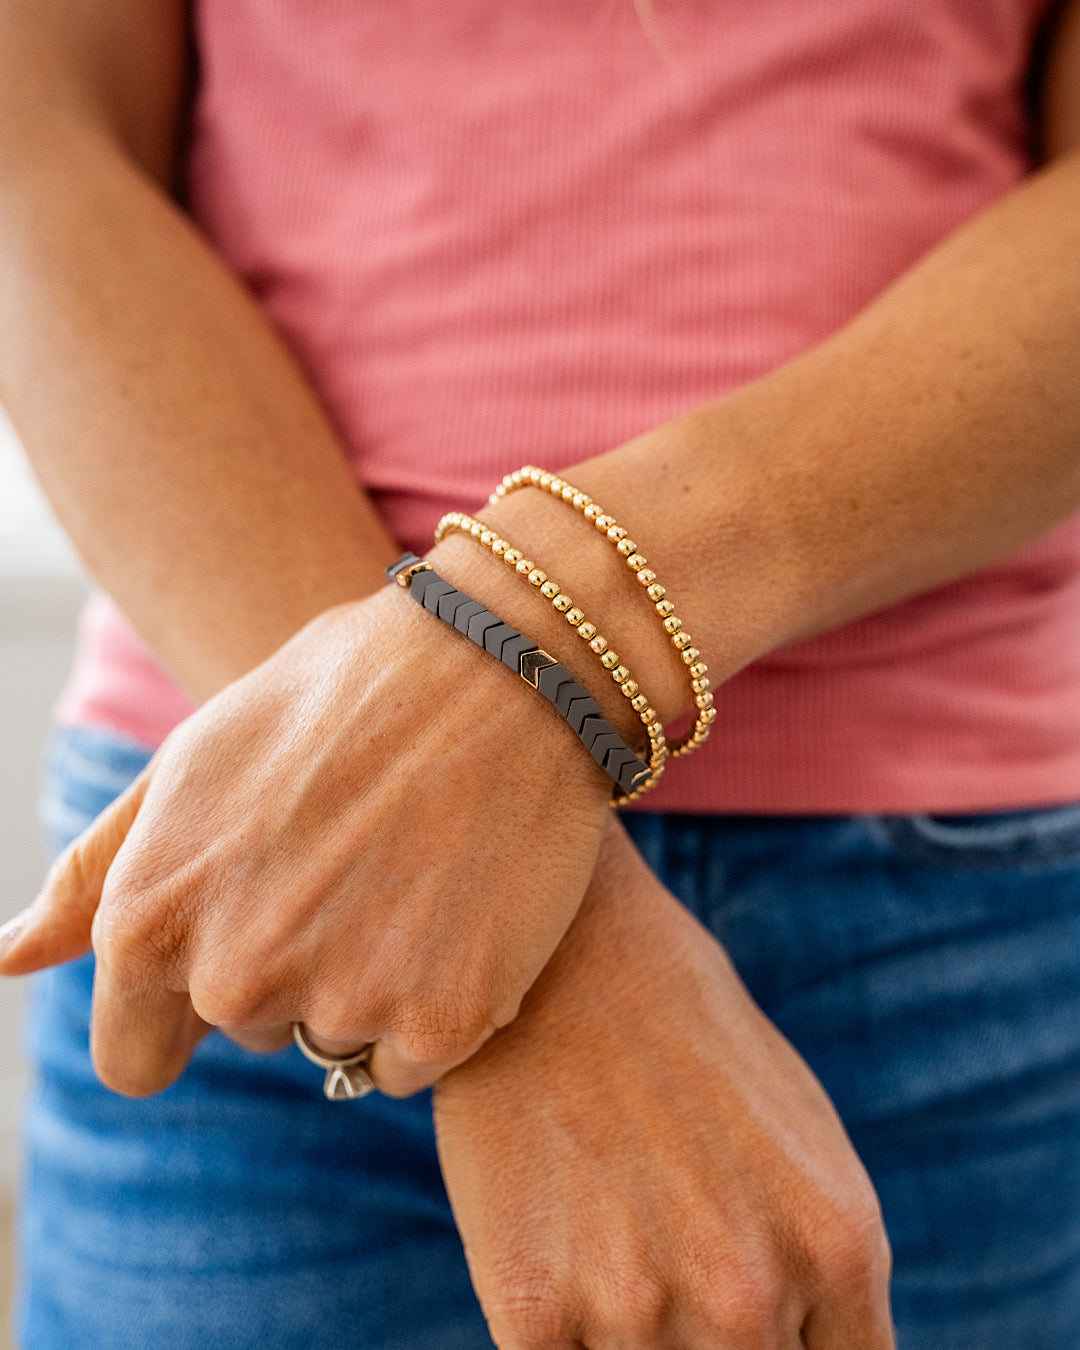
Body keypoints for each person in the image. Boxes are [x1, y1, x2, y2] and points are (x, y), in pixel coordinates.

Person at [2, 0, 1080, 1345]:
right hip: (253, 863)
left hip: (944, 903)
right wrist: (533, 926)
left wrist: (534, 660)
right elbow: (39, 145)